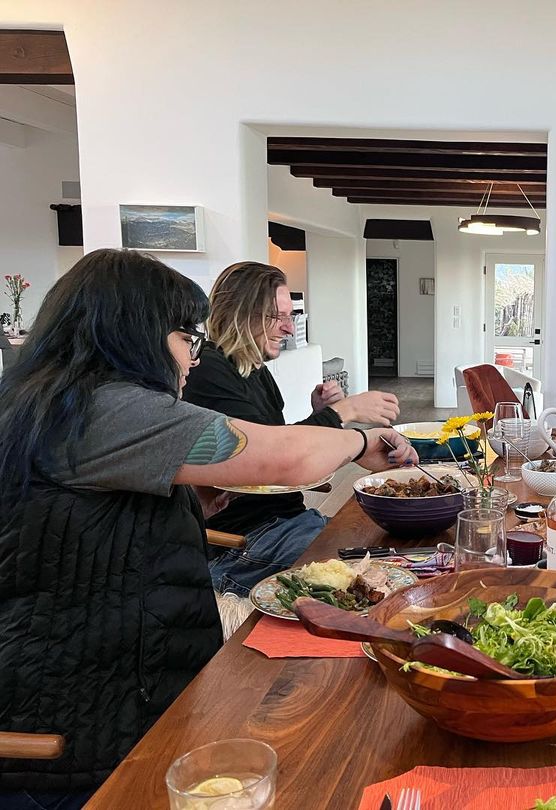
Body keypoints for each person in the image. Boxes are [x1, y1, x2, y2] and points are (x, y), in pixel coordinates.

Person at [0, 249, 416, 808]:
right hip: (87, 732)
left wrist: (193, 506)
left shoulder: (46, 402)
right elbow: (288, 457)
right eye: (186, 340)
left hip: (112, 690)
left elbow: (84, 534)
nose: (193, 361)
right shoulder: (103, 408)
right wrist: (362, 440)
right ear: (134, 333)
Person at [183, 261, 402, 597]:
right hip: (245, 542)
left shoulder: (254, 370)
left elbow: (279, 444)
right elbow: (273, 461)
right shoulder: (209, 371)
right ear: (241, 312)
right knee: (375, 583)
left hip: (290, 521)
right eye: (277, 316)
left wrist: (321, 415)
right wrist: (345, 411)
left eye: (291, 316)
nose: (288, 328)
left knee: (395, 557)